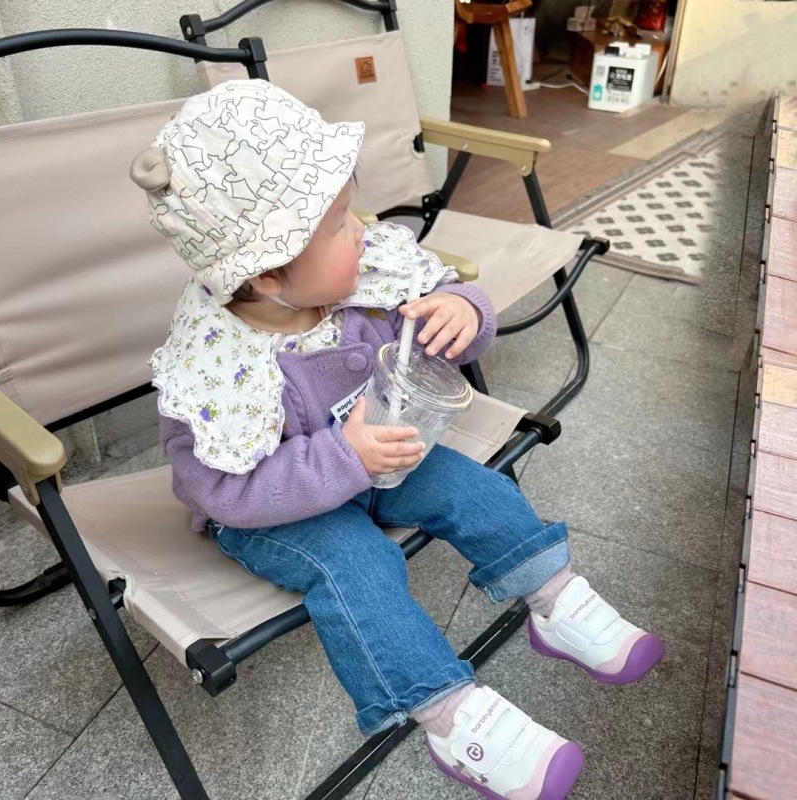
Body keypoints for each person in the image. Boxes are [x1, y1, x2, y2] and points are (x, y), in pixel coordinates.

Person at [130, 80, 664, 800]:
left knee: (472, 487)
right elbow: (223, 490)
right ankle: (448, 716)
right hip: (277, 510)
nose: (362, 230)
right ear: (267, 275)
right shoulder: (218, 368)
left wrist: (462, 310)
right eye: (339, 225)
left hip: (379, 459)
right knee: (356, 563)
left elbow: (444, 307)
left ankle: (555, 598)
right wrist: (342, 458)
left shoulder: (363, 280)